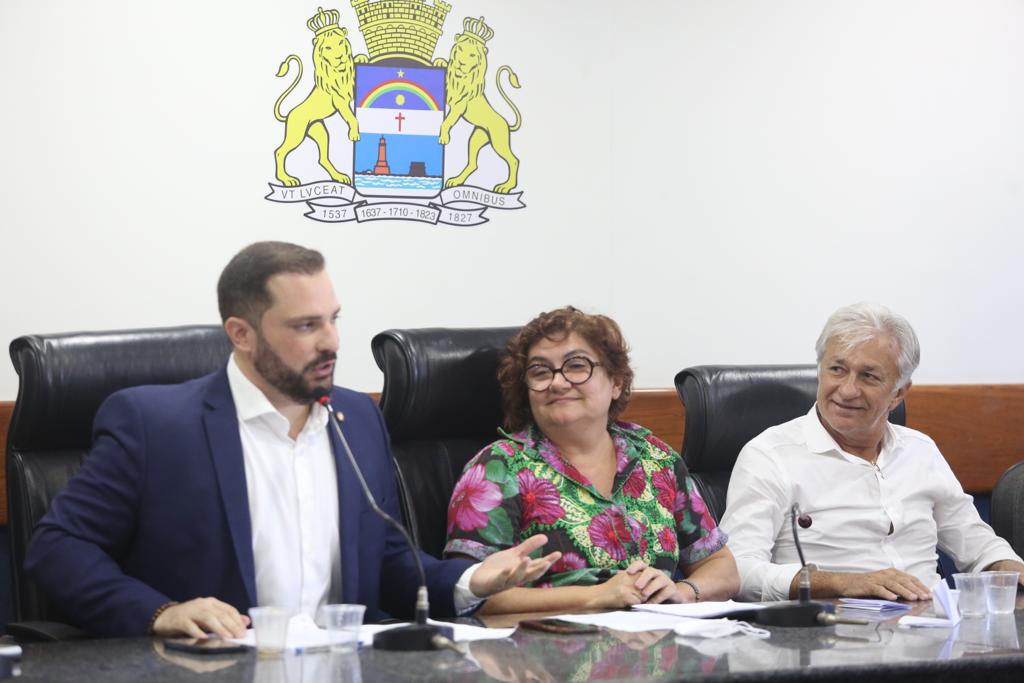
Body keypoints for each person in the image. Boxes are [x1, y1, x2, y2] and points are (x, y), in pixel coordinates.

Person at [25, 241, 559, 638]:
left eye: (333, 320)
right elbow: (59, 547)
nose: (331, 342)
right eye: (306, 326)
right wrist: (160, 613)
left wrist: (471, 581)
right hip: (213, 669)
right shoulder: (156, 424)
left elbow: (389, 562)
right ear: (241, 333)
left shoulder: (356, 418)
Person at [720, 302, 1024, 602]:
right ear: (820, 371)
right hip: (830, 627)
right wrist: (842, 582)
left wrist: (1006, 565)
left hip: (932, 622)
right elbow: (736, 571)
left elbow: (976, 543)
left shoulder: (920, 451)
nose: (847, 390)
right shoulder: (770, 456)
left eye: (868, 376)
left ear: (899, 393)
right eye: (837, 369)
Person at [444, 307, 739, 614]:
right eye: (540, 372)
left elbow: (723, 567)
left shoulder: (656, 459)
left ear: (616, 382)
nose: (557, 383)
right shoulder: (498, 467)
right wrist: (596, 596)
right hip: (547, 640)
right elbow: (469, 593)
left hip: (660, 636)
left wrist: (683, 592)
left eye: (576, 366)